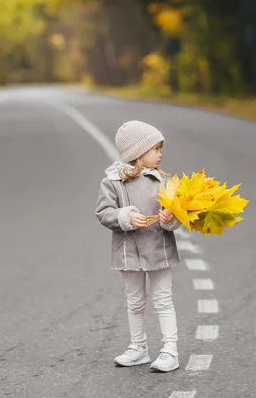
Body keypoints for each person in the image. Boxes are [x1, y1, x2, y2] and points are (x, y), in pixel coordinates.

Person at [95, 120, 182, 373]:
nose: (160, 154)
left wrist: (170, 219)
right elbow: (103, 213)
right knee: (134, 301)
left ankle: (170, 350)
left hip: (159, 250)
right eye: (156, 149)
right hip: (128, 252)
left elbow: (175, 217)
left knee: (164, 300)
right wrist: (125, 217)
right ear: (138, 153)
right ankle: (139, 347)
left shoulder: (162, 183)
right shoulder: (112, 182)